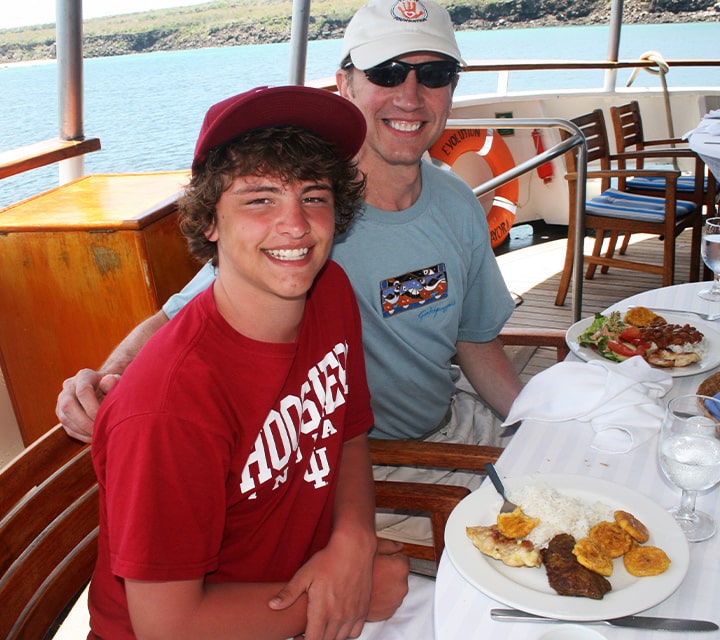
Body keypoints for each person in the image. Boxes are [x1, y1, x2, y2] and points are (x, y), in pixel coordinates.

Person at [58, 0, 522, 537]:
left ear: (452, 89)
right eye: (386, 73)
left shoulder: (456, 202)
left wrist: (534, 419)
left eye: (435, 74)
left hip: (453, 422)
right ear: (345, 84)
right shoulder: (305, 226)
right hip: (367, 470)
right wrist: (103, 380)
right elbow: (182, 320)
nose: (410, 97)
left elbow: (476, 341)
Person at [86, 85, 409, 640]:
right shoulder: (171, 405)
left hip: (299, 583)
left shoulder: (328, 290)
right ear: (210, 221)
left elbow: (347, 433)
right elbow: (168, 626)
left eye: (314, 196)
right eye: (259, 199)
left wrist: (352, 545)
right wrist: (341, 595)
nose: (296, 225)